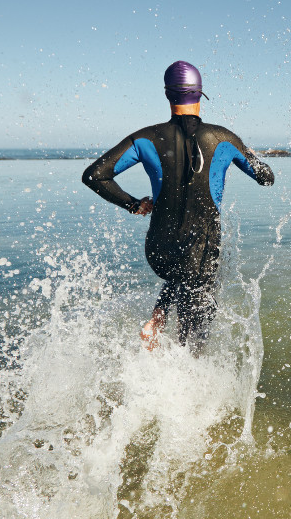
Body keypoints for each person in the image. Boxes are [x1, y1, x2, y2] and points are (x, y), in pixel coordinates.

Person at [82, 60, 275, 353]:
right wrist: (244, 152)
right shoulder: (222, 137)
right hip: (201, 248)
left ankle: (156, 320)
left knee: (179, 273)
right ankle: (184, 379)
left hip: (158, 248)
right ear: (200, 94)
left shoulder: (145, 137)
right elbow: (266, 178)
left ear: (168, 95)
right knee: (195, 339)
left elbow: (94, 175)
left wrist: (134, 204)